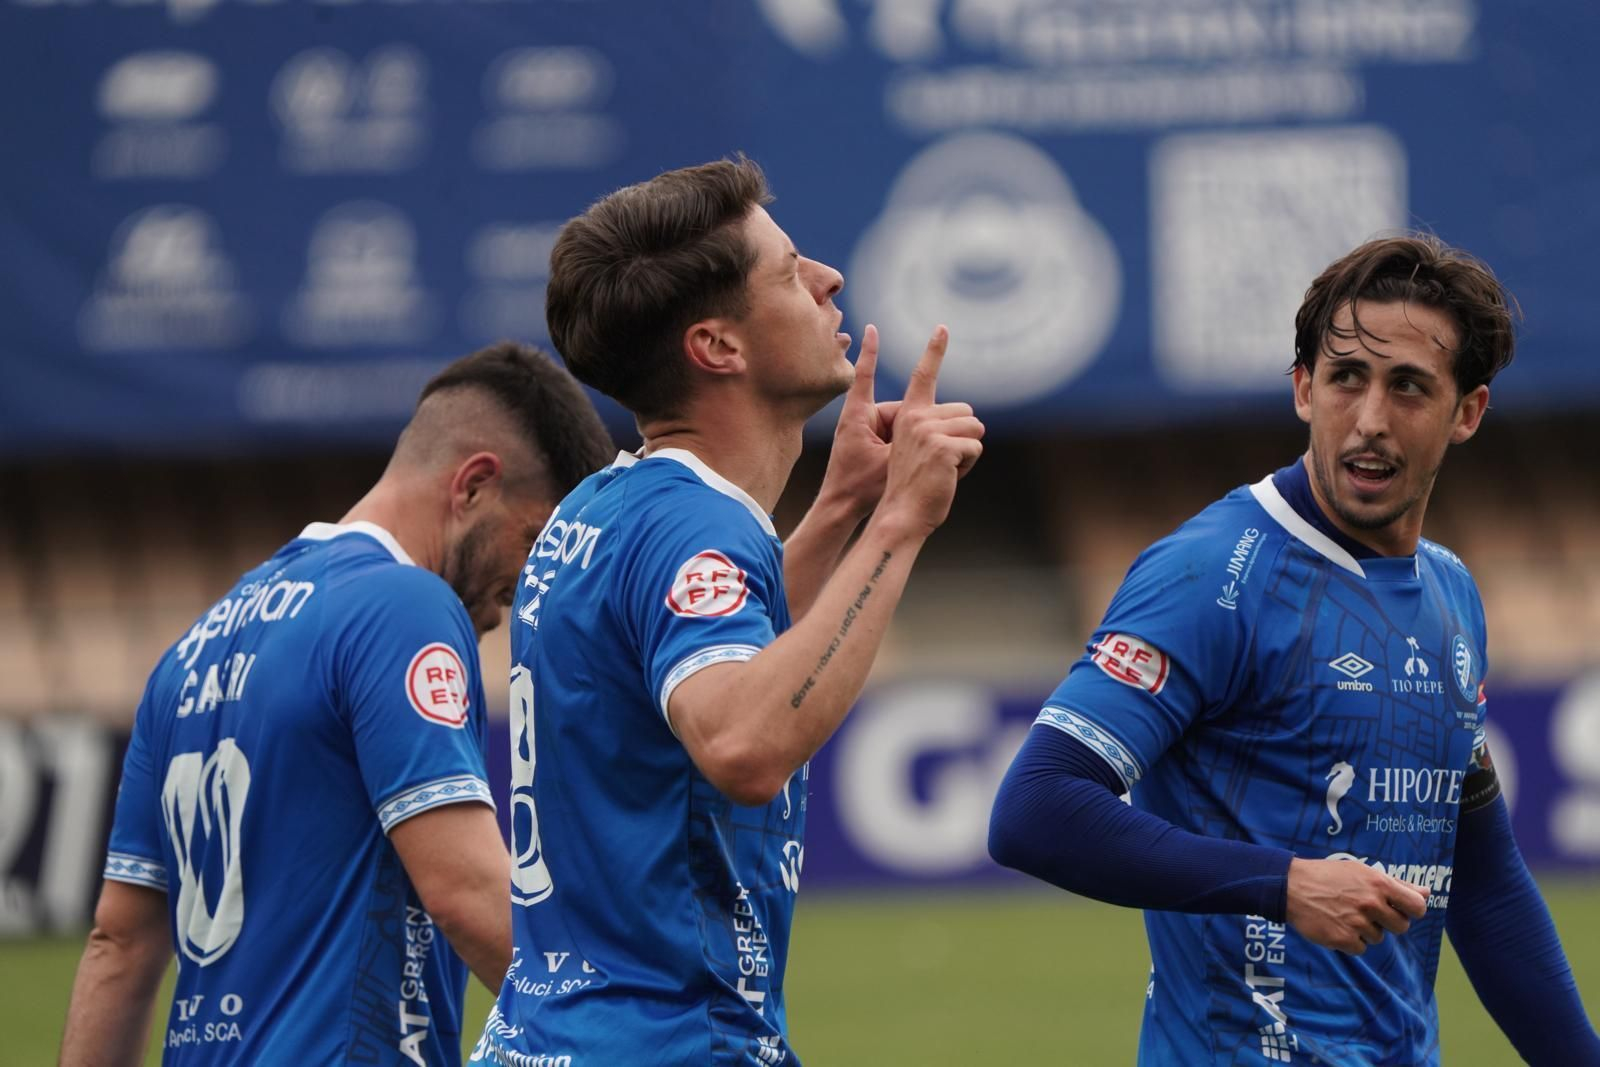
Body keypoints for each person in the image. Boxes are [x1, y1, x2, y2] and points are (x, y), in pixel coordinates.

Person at [989, 233, 1600, 1064]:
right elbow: (1037, 806)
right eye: (1347, 378)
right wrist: (1286, 885)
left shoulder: (1453, 594)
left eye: (1410, 387)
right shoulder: (1212, 573)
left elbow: (1484, 881)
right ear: (1305, 388)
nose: (1372, 419)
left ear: (1468, 412)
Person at [468, 157, 984, 1066]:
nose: (827, 279)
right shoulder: (692, 527)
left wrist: (840, 508)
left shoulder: (607, 507)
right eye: (789, 272)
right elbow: (742, 741)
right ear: (718, 347)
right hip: (665, 1040)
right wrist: (900, 523)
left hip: (548, 1036)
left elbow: (713, 660)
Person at [61, 342, 614, 1066]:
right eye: (534, 540)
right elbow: (464, 887)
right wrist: (619, 1029)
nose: (525, 587)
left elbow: (119, 944)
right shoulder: (403, 605)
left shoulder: (190, 651)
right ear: (474, 485)